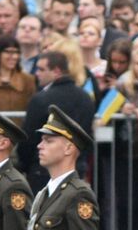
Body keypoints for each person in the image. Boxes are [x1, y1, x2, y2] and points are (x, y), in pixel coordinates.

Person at [20, 51, 93, 190]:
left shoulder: (41, 99)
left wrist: (26, 165)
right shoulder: (85, 97)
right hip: (76, 167)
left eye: (41, 69)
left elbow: (28, 139)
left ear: (56, 71)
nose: (37, 73)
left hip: (42, 170)